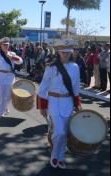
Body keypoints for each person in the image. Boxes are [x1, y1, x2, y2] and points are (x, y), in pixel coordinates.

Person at [37, 39, 82, 169]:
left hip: (68, 101)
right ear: (59, 53)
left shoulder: (75, 67)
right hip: (53, 101)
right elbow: (43, 87)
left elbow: (76, 86)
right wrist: (42, 106)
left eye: (68, 53)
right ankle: (55, 154)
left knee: (64, 130)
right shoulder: (51, 67)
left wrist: (77, 102)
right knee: (61, 131)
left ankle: (61, 156)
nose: (66, 55)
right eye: (64, 53)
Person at [0, 37, 23, 118]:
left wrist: (12, 58)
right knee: (1, 95)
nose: (6, 46)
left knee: (8, 95)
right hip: (0, 76)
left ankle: (5, 107)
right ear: (0, 45)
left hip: (10, 77)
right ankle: (1, 112)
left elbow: (20, 61)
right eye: (4, 45)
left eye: (7, 45)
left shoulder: (12, 54)